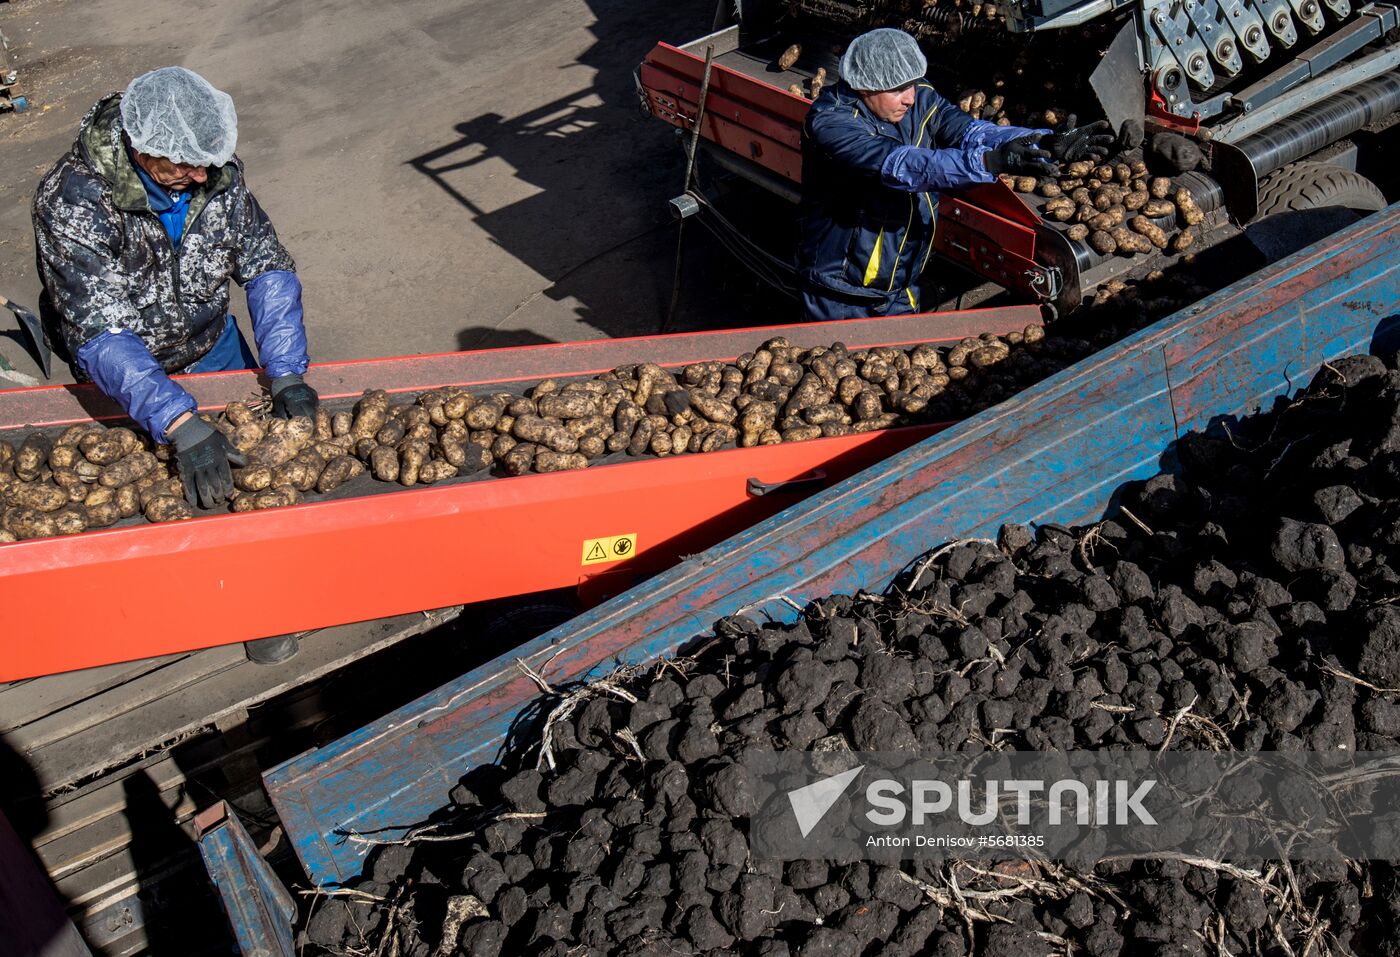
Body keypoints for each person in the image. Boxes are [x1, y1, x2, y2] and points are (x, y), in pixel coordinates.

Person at [32, 66, 317, 508]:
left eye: (208, 159)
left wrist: (285, 369)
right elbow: (100, 330)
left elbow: (266, 266)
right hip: (127, 376)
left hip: (214, 346)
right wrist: (177, 421)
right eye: (185, 163)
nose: (202, 175)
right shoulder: (74, 202)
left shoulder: (216, 175)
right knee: (174, 495)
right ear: (141, 149)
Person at [797, 28, 1113, 322]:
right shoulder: (831, 122)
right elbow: (903, 166)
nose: (910, 97)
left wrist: (1041, 141)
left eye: (911, 84)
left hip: (901, 283)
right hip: (842, 294)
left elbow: (969, 130)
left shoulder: (917, 97)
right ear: (865, 86)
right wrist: (991, 161)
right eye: (898, 89)